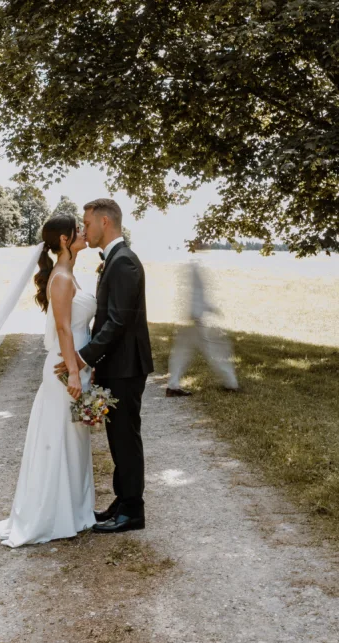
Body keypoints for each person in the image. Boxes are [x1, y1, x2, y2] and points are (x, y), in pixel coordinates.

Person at [0, 215, 98, 547]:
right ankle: (55, 515)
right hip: (64, 370)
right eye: (78, 230)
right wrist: (74, 372)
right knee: (60, 438)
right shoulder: (61, 278)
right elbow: (63, 328)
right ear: (64, 240)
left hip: (76, 364)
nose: (83, 234)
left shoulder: (68, 274)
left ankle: (74, 511)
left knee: (73, 439)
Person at [57, 198, 153, 534]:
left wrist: (82, 358)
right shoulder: (114, 259)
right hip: (115, 365)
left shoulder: (124, 261)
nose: (84, 229)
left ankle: (133, 511)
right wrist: (96, 364)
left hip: (127, 367)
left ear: (105, 222)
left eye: (87, 222)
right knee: (117, 438)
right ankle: (122, 501)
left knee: (126, 438)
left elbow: (117, 323)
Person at [166, 260, 239, 397]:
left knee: (181, 353)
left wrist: (210, 309)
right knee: (215, 350)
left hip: (190, 319)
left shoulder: (192, 265)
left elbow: (197, 295)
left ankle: (173, 386)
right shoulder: (195, 267)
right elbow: (197, 294)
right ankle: (231, 383)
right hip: (196, 320)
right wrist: (199, 312)